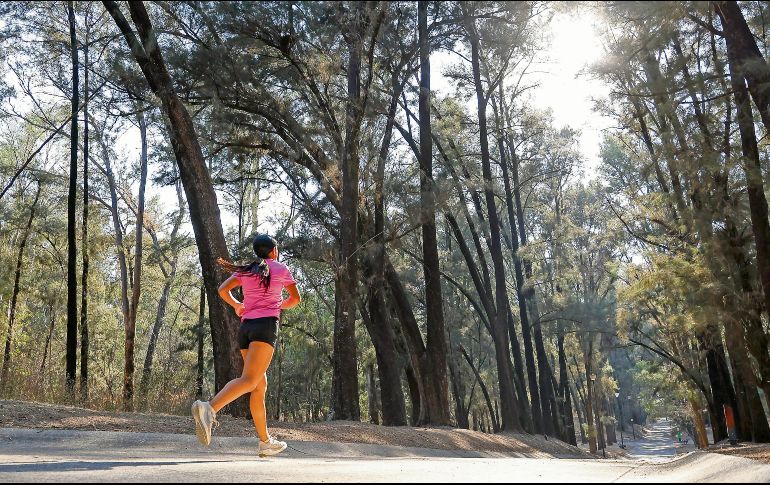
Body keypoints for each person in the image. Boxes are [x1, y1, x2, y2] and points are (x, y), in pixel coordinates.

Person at [191, 234, 301, 457]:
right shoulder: (280, 268)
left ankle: (265, 442)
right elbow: (295, 299)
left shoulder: (247, 270)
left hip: (246, 329)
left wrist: (238, 305)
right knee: (249, 380)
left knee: (258, 386)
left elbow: (223, 289)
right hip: (265, 327)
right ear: (273, 251)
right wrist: (278, 305)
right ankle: (209, 408)